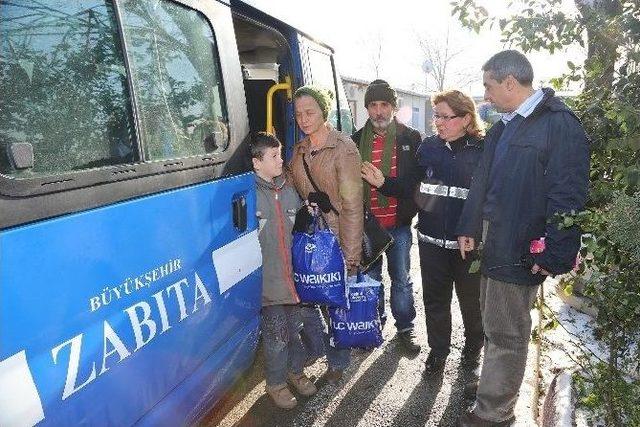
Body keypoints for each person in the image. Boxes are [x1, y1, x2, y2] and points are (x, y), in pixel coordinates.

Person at [455, 50, 589, 426]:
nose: (485, 95)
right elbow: (482, 183)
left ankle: (494, 413)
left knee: (507, 331)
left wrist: (554, 254)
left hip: (520, 246)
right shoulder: (504, 126)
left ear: (510, 84)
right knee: (494, 322)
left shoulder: (559, 125)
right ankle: (493, 387)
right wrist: (468, 228)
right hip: (493, 240)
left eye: (488, 86)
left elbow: (568, 195)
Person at [361, 89, 486, 374]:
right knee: (436, 301)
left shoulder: (483, 150)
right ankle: (439, 351)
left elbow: (489, 200)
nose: (438, 123)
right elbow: (411, 187)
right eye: (436, 117)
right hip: (431, 243)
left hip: (468, 247)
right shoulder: (428, 147)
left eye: (445, 117)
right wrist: (384, 184)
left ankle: (472, 352)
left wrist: (476, 231)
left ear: (466, 118)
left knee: (471, 304)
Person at [289, 85, 364, 383]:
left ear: (324, 111)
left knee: (335, 304)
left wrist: (351, 255)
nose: (304, 119)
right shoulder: (300, 150)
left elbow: (353, 205)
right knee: (312, 298)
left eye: (310, 112)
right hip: (311, 238)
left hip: (337, 236)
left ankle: (338, 361)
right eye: (298, 115)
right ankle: (320, 349)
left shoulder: (343, 148)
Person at [352, 79, 421, 354]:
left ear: (393, 107)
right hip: (368, 227)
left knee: (401, 278)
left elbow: (415, 185)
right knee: (371, 279)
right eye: (373, 105)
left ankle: (405, 328)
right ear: (367, 108)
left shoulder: (410, 138)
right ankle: (372, 326)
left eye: (384, 105)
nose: (379, 111)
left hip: (398, 225)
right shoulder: (355, 140)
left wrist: (383, 183)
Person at [250, 132, 317, 409]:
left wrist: (308, 213)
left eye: (280, 154)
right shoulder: (249, 194)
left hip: (293, 281)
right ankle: (275, 383)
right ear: (257, 163)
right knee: (276, 338)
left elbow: (299, 228)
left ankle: (296, 371)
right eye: (274, 156)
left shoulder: (288, 187)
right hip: (269, 284)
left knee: (295, 329)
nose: (281, 160)